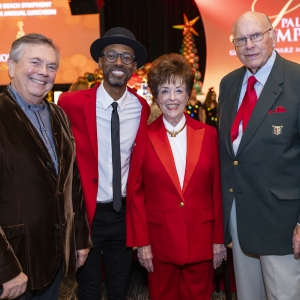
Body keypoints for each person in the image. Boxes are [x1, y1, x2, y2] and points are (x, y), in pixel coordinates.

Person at [58, 27, 150, 300]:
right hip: (87, 215)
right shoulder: (70, 102)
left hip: (122, 215)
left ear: (134, 66)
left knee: (119, 287)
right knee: (87, 288)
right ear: (99, 61)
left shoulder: (141, 107)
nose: (118, 62)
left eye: (126, 57)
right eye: (111, 55)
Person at [126, 53, 226, 300]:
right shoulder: (143, 137)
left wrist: (218, 240)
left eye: (179, 90)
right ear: (156, 96)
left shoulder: (209, 134)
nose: (172, 98)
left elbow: (217, 190)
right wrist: (143, 244)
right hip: (159, 244)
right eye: (165, 91)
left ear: (189, 94)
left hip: (202, 239)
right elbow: (136, 193)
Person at [0, 33, 92, 300]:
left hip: (52, 260)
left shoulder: (58, 115)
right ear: (12, 66)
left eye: (51, 66)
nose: (44, 72)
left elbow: (71, 181)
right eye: (36, 62)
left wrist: (78, 238)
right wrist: (5, 268)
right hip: (13, 266)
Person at [218, 11, 300, 300]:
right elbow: (231, 156)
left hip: (283, 222)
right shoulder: (228, 84)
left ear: (273, 37)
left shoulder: (297, 80)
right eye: (241, 39)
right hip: (239, 217)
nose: (249, 45)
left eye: (256, 36)